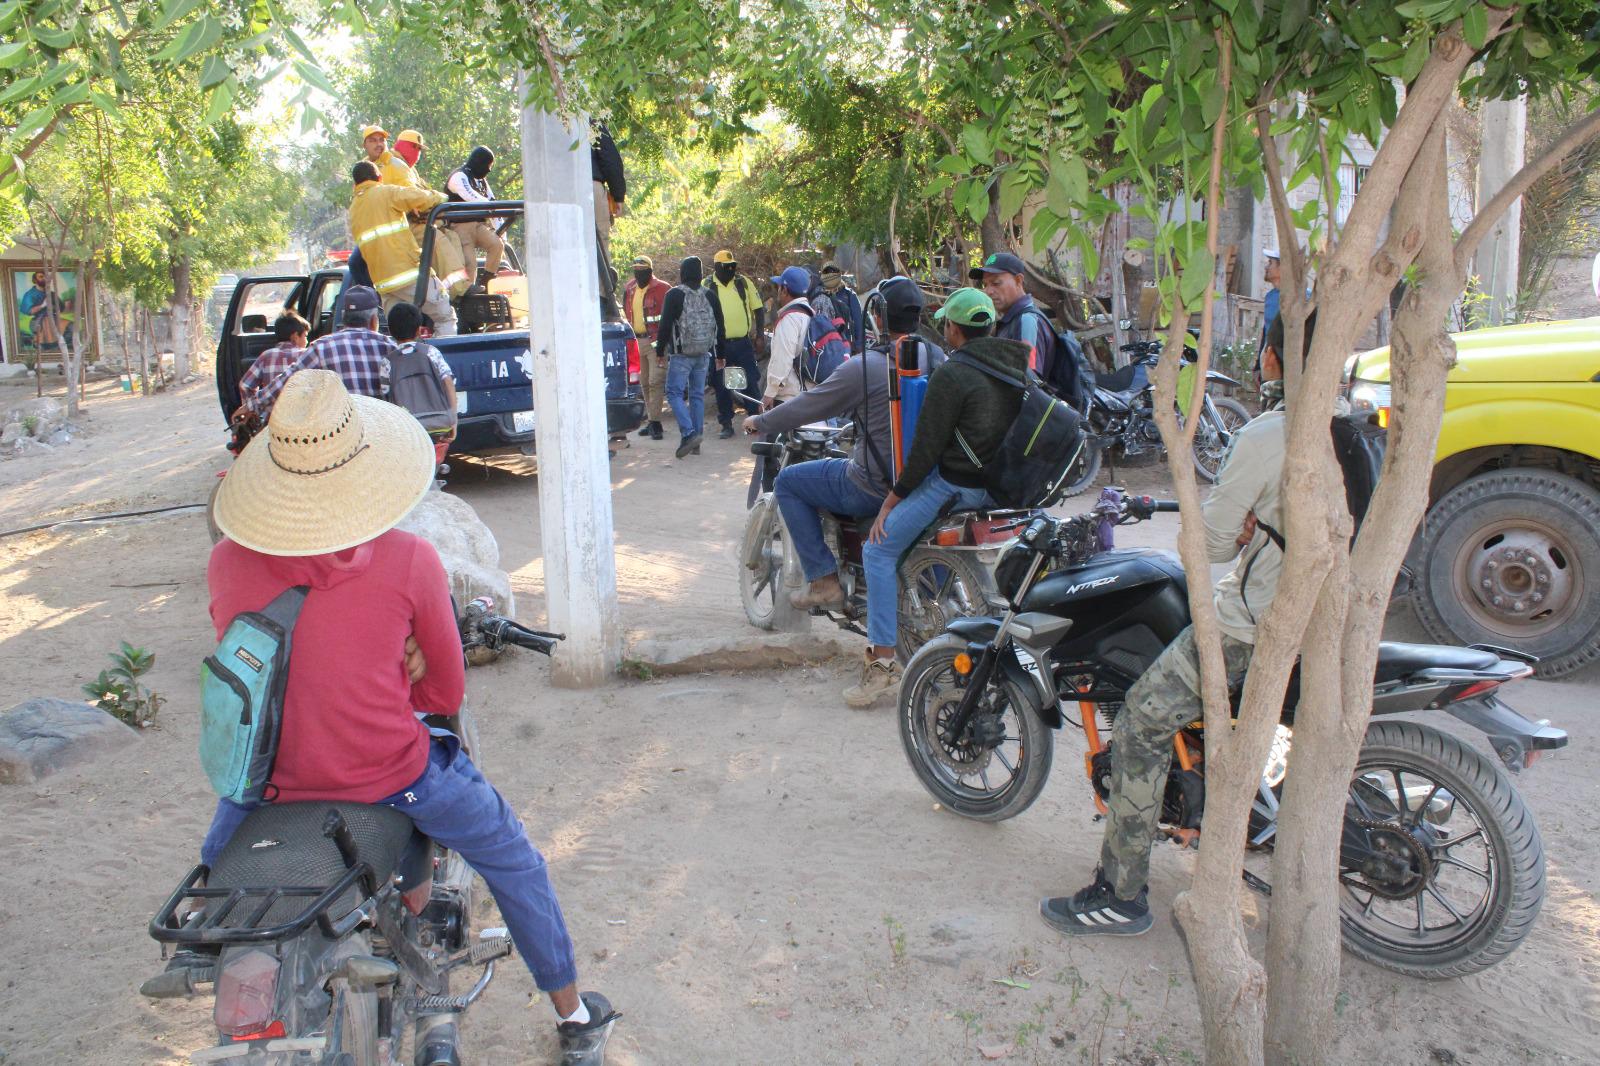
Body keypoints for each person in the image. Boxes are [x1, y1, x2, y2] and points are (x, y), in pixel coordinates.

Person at [200, 370, 619, 1060]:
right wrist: (406, 667)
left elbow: (257, 672)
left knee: (216, 870)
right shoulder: (408, 558)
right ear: (363, 468)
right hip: (389, 775)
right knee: (514, 860)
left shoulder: (226, 562)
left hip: (265, 785)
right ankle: (575, 1018)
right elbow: (443, 696)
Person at [1039, 311, 1306, 938]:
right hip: (1326, 621)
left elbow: (1208, 545)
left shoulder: (1271, 434)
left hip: (1257, 625)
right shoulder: (1354, 422)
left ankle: (1121, 894)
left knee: (1139, 720)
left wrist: (1226, 528)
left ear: (1269, 359)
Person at [848, 288, 1024, 708]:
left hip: (955, 486)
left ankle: (884, 665)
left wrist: (890, 502)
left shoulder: (953, 373)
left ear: (952, 329)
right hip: (1000, 488)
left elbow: (925, 451)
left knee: (877, 550)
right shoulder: (1015, 366)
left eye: (946, 324)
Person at [745, 277, 939, 612]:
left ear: (877, 316)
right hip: (926, 482)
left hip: (874, 485)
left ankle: (824, 581)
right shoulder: (934, 356)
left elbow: (810, 405)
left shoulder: (866, 367)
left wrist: (759, 421)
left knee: (789, 482)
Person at [348, 160, 456, 335]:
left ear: (355, 184)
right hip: (409, 275)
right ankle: (440, 360)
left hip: (384, 285)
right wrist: (442, 198)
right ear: (379, 177)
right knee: (444, 317)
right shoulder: (385, 192)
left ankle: (405, 360)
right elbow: (418, 197)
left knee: (402, 332)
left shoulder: (354, 209)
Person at [652, 256, 725, 458]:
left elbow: (665, 326)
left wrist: (659, 352)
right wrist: (721, 355)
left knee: (674, 393)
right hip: (703, 354)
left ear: (682, 273)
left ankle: (689, 433)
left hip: (681, 355)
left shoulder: (674, 294)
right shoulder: (710, 295)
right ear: (701, 274)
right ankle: (697, 439)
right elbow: (720, 327)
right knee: (696, 395)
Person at [290, 284, 394, 399]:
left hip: (339, 417)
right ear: (374, 320)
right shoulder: (390, 348)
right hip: (381, 416)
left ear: (344, 317)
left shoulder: (321, 348)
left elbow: (286, 384)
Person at [969, 252, 1058, 382]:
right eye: (985, 284)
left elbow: (1028, 383)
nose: (988, 291)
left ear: (1018, 281)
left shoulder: (1026, 321)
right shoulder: (1012, 320)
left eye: (996, 283)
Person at [705, 249, 766, 438]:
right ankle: (726, 424)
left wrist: (760, 335)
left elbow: (758, 309)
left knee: (750, 381)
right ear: (717, 267)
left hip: (742, 343)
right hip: (718, 345)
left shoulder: (743, 283)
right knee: (722, 384)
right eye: (726, 267)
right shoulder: (706, 285)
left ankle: (754, 422)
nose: (731, 269)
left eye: (733, 266)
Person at [384, 301, 458, 443]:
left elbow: (386, 396)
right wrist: (452, 419)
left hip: (408, 428)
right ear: (419, 330)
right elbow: (448, 383)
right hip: (439, 425)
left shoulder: (388, 362)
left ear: (391, 332)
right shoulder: (431, 352)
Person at [624, 255, 671, 441]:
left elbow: (669, 318)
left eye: (642, 271)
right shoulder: (630, 288)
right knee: (643, 382)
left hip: (656, 343)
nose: (638, 274)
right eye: (635, 270)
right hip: (637, 342)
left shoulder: (663, 289)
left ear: (650, 271)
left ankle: (656, 423)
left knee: (655, 381)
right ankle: (651, 421)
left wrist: (664, 344)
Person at [445, 146, 504, 294]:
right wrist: (490, 206)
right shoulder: (459, 177)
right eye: (487, 166)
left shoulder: (481, 180)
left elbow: (492, 203)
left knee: (497, 245)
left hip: (478, 225)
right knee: (470, 264)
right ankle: (468, 299)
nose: (488, 170)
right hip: (460, 226)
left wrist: (501, 231)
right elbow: (473, 197)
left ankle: (486, 285)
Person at [237, 311, 310, 423]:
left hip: (273, 422)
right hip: (304, 421)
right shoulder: (307, 356)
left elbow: (245, 385)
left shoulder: (266, 356)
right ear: (295, 336)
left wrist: (253, 409)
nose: (307, 341)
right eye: (305, 336)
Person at [760, 266, 815, 408]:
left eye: (779, 287)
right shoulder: (810, 315)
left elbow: (782, 359)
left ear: (784, 290)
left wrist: (769, 394)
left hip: (790, 398)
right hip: (812, 394)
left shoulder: (788, 319)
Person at [590, 125, 626, 264]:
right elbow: (610, 160)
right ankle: (601, 285)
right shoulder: (588, 122)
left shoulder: (543, 121)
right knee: (600, 241)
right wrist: (618, 196)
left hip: (554, 193)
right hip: (591, 186)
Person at [819, 263, 865, 354]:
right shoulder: (820, 296)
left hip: (846, 346)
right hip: (826, 347)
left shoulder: (849, 295)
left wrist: (859, 346)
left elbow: (858, 322)